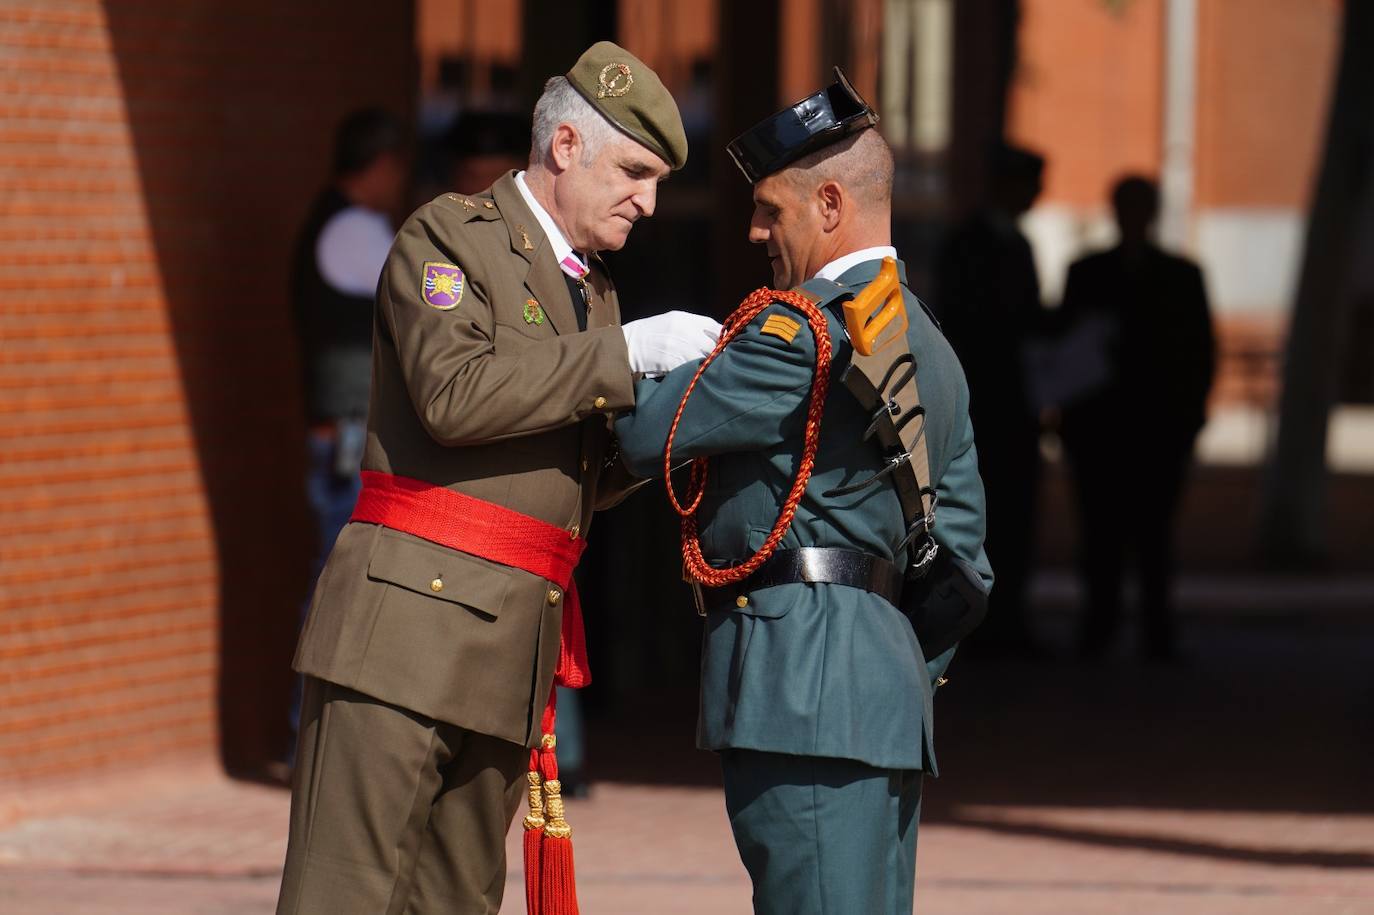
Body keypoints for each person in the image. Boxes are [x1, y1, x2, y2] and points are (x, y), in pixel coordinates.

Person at [276, 42, 720, 915]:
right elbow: (453, 396)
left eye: (660, 179)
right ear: (564, 148)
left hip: (508, 642)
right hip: (404, 636)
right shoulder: (449, 236)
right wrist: (623, 354)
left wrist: (688, 431)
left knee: (454, 903)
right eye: (634, 170)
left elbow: (570, 476)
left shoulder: (592, 293)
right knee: (348, 896)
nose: (649, 200)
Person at [615, 73, 992, 914]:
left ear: (830, 204)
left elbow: (646, 436)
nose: (755, 230)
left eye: (770, 210)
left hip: (800, 692)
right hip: (880, 697)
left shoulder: (799, 331)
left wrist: (635, 346)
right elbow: (966, 558)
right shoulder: (931, 344)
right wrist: (887, 667)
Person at [286, 107, 406, 762]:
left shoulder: (330, 223)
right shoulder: (352, 227)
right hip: (352, 435)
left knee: (339, 587)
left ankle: (320, 744)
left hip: (343, 432)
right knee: (341, 591)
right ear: (383, 165)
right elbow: (419, 301)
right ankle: (315, 746)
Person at [1058, 175, 1216, 661]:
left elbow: (1201, 352)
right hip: (1100, 432)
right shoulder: (1086, 273)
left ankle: (1156, 632)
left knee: (1154, 533)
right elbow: (1067, 349)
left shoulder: (1182, 276)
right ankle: (1099, 627)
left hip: (1158, 430)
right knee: (1100, 533)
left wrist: (1189, 418)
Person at [934, 142, 1047, 657]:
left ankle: (1009, 621)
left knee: (1017, 514)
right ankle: (978, 624)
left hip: (1017, 406)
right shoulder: (968, 244)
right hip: (983, 405)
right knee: (979, 512)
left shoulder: (1017, 244)